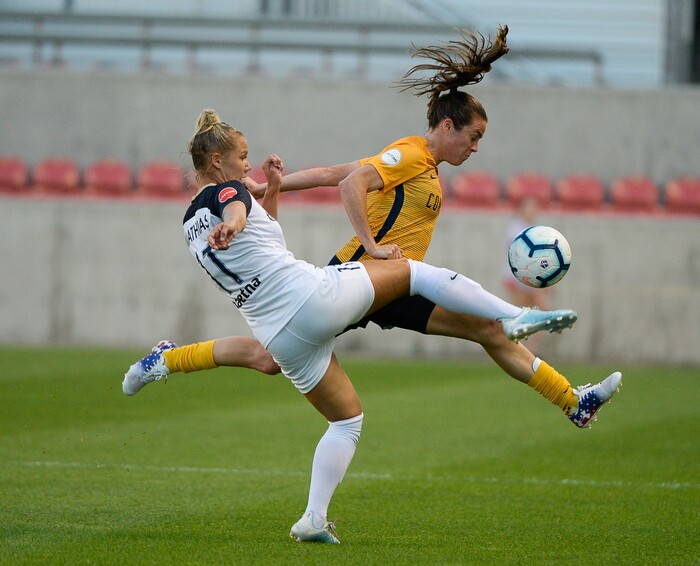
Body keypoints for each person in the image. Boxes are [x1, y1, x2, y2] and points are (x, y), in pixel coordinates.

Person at [123, 107, 621, 544]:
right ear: (217, 162)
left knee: (324, 400)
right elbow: (262, 202)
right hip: (327, 290)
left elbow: (263, 231)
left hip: (282, 325)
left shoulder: (191, 219)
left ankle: (171, 366)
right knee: (416, 273)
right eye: (243, 155)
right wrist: (369, 245)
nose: (249, 163)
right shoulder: (233, 192)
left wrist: (269, 191)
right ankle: (519, 314)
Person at [126, 26, 620, 433]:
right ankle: (170, 357)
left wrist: (261, 190)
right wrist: (370, 246)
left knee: (486, 332)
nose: (476, 148)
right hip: (362, 273)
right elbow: (351, 185)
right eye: (473, 137)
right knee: (267, 357)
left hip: (387, 282)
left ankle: (571, 399)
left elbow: (329, 174)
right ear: (447, 127)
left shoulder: (420, 164)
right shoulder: (411, 154)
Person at [503, 197, 552, 354]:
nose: (532, 212)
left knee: (534, 311)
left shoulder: (529, 229)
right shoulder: (517, 229)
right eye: (529, 208)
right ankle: (519, 347)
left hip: (527, 277)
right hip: (521, 277)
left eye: (534, 208)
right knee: (524, 312)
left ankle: (527, 348)